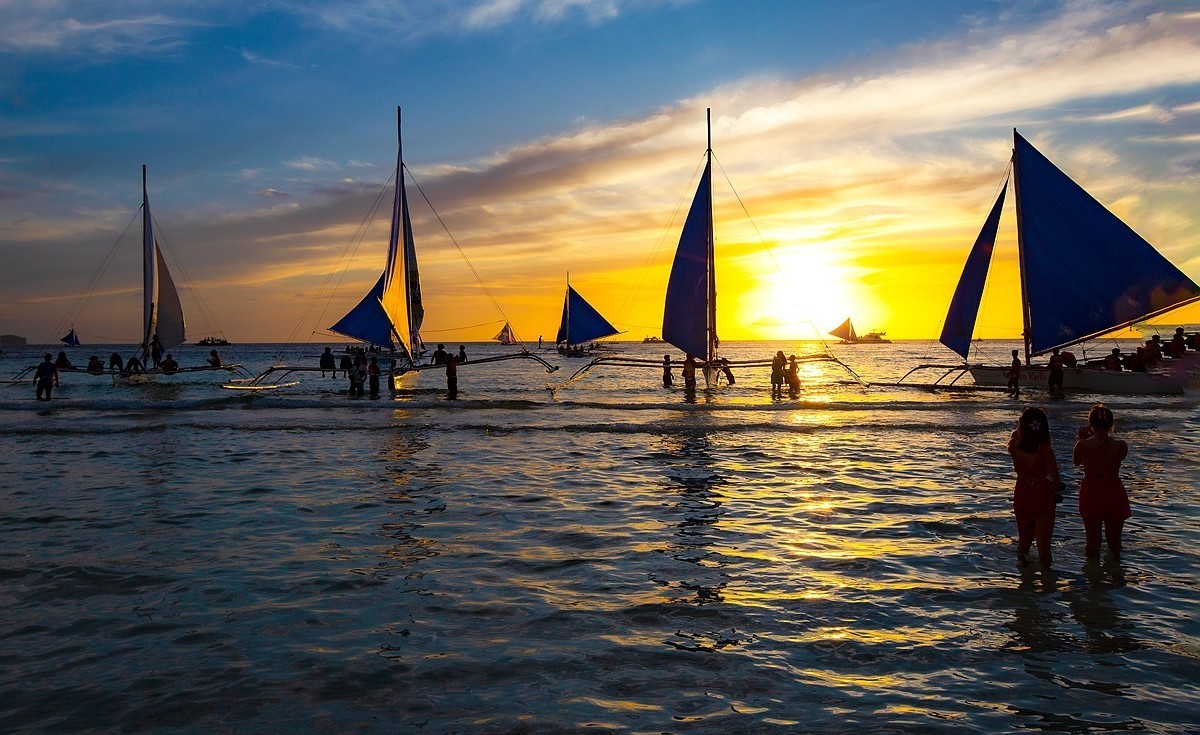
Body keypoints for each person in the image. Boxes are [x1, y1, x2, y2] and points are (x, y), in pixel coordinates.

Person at [1073, 404, 1130, 560]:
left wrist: (1082, 439)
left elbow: (1076, 461)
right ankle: (1117, 576)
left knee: (1092, 542)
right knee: (1115, 543)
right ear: (1111, 425)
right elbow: (1120, 458)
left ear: (1091, 425)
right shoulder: (1120, 446)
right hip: (1114, 490)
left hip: (1091, 490)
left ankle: (1094, 578)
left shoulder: (1083, 445)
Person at [1007, 406, 1062, 568]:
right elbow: (1057, 482)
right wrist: (1054, 489)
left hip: (1022, 493)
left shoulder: (1014, 445)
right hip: (1042, 495)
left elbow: (1017, 433)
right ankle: (1047, 582)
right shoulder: (1045, 451)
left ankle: (1025, 580)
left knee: (1024, 541)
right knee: (1043, 546)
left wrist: (1022, 425)